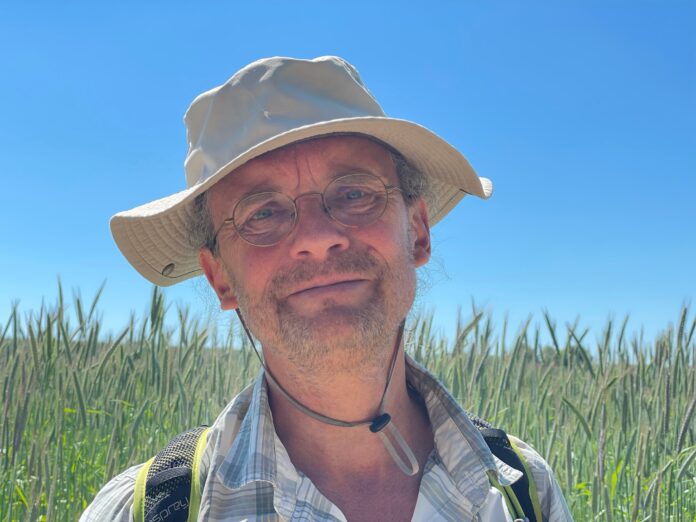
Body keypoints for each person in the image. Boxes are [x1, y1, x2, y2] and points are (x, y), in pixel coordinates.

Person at [82, 56, 572, 521]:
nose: (317, 237)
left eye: (354, 193)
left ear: (417, 232)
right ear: (221, 278)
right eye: (262, 213)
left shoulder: (528, 490)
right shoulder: (144, 511)